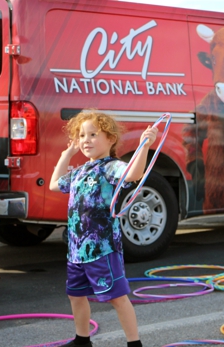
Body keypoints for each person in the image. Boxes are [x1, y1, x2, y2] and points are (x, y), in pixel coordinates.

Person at [49, 110, 157, 347]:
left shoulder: (110, 167)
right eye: (81, 135)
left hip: (102, 249)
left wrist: (144, 146)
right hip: (77, 251)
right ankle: (82, 340)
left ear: (110, 139)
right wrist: (67, 154)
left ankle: (134, 343)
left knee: (117, 297)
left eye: (93, 134)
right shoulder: (79, 171)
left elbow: (133, 174)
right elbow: (55, 185)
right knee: (75, 295)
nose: (85, 140)